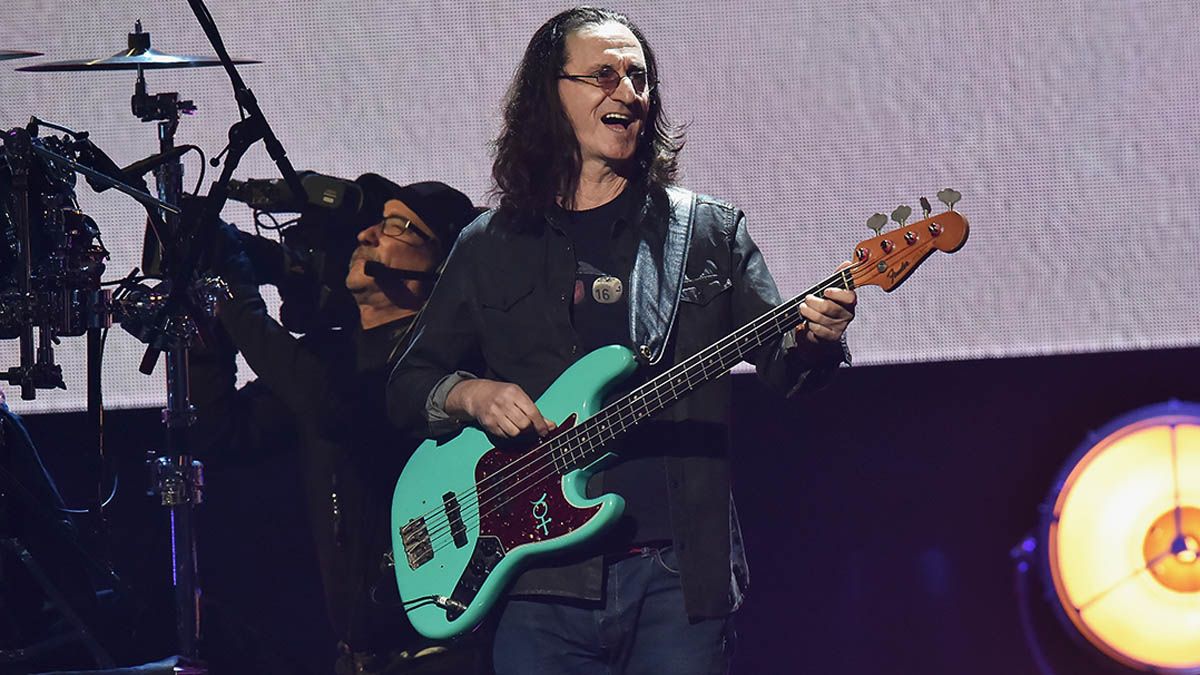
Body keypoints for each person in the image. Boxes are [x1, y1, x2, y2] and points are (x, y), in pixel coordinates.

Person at [387, 7, 857, 674]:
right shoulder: (489, 246)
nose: (628, 92)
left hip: (675, 577)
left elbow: (787, 370)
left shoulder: (707, 233)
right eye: (603, 75)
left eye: (638, 77)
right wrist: (470, 393)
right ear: (551, 94)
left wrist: (815, 339)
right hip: (536, 587)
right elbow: (407, 387)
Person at [189, 174, 485, 674]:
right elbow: (223, 430)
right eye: (375, 223)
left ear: (443, 266)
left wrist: (232, 293)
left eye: (398, 227)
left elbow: (330, 405)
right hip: (357, 658)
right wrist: (202, 327)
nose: (367, 235)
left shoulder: (439, 359)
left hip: (443, 655)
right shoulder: (334, 354)